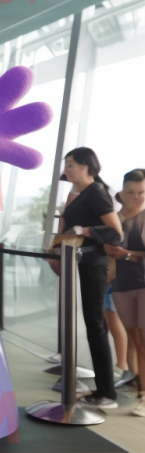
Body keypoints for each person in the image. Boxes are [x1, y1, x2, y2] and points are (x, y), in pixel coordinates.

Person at [58, 148, 123, 409]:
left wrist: (84, 230)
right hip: (81, 262)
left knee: (96, 327)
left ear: (87, 167)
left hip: (94, 265)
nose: (67, 169)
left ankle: (107, 392)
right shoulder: (83, 194)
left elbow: (115, 232)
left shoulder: (95, 192)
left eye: (71, 164)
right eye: (67, 164)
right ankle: (102, 388)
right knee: (92, 325)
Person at [106, 169, 145, 416]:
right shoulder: (115, 219)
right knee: (135, 341)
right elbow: (106, 250)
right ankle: (137, 384)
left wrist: (126, 255)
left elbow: (120, 253)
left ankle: (143, 396)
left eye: (142, 192)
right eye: (131, 192)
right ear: (122, 192)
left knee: (144, 342)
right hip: (121, 286)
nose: (137, 197)